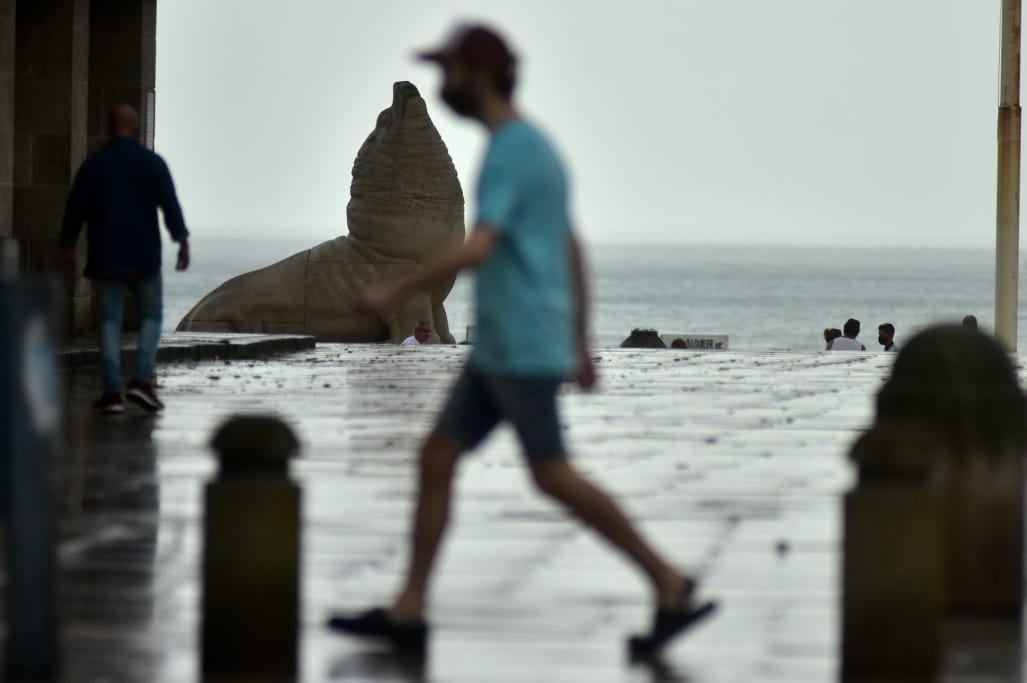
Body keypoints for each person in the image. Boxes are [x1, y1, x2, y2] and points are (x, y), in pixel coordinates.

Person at [327, 23, 715, 654]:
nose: (442, 83)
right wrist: (582, 338)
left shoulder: (511, 150)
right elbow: (570, 246)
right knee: (438, 459)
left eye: (449, 71)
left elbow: (482, 244)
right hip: (504, 347)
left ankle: (670, 582)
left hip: (520, 348)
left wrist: (396, 289)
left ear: (478, 76)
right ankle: (409, 610)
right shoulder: (535, 148)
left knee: (552, 474)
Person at [59, 105, 190, 414]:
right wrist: (181, 240)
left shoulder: (94, 165)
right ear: (136, 128)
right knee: (151, 316)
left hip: (107, 256)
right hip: (144, 255)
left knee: (109, 321)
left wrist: (66, 246)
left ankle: (112, 392)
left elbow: (75, 209)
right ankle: (141, 381)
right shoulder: (152, 163)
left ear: (109, 128)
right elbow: (169, 204)